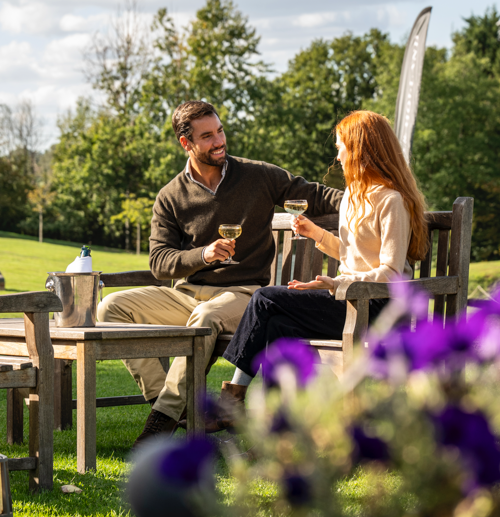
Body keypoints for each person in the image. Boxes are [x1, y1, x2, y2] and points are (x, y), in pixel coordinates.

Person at [97, 100, 343, 447]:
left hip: (243, 295)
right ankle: (173, 408)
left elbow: (315, 195)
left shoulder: (258, 175)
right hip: (187, 295)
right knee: (110, 307)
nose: (219, 141)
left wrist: (369, 201)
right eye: (207, 136)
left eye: (220, 131)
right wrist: (203, 254)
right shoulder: (170, 196)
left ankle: (160, 422)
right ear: (186, 143)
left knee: (206, 317)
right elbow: (160, 262)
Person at [214, 110, 428, 429]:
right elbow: (354, 255)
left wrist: (336, 284)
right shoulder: (353, 197)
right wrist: (316, 234)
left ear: (361, 150)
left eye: (341, 147)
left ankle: (230, 401)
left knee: (263, 298)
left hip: (375, 308)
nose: (338, 156)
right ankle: (278, 428)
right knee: (277, 326)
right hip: (347, 299)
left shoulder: (391, 201)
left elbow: (390, 273)